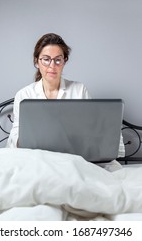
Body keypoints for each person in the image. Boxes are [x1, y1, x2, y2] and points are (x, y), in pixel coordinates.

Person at [7, 33, 125, 170]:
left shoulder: (79, 89)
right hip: (37, 161)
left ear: (65, 61)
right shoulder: (24, 94)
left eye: (58, 60)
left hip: (74, 160)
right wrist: (30, 139)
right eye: (46, 59)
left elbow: (91, 131)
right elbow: (15, 137)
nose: (52, 65)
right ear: (36, 61)